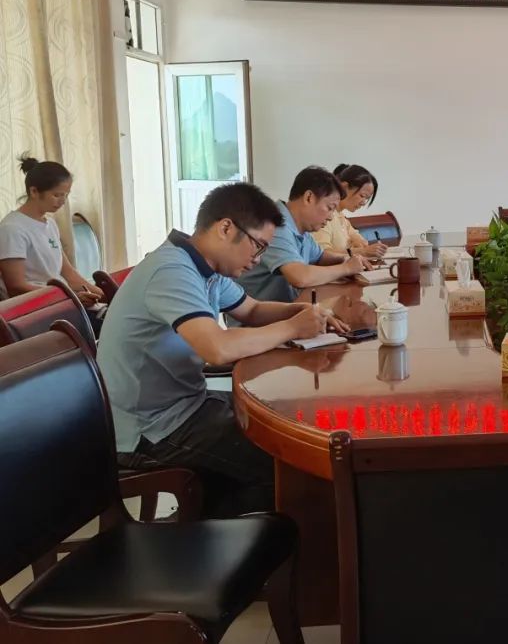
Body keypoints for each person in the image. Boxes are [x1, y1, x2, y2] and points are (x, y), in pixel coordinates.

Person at [97, 182, 349, 518]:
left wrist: (300, 312)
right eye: (257, 246)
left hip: (185, 405)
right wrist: (292, 328)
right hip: (150, 428)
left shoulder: (206, 269)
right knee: (290, 463)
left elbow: (252, 310)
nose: (258, 259)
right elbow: (216, 348)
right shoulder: (171, 270)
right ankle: (202, 532)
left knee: (283, 422)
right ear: (226, 228)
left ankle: (211, 516)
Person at [237, 166, 371, 304]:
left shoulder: (300, 227)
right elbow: (300, 277)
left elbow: (320, 257)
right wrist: (346, 268)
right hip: (257, 315)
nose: (331, 217)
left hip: (286, 307)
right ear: (309, 197)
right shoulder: (275, 224)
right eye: (329, 208)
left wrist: (345, 259)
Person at [0, 155, 104, 305]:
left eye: (66, 195)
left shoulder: (50, 224)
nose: (62, 201)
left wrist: (104, 293)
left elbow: (69, 274)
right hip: (34, 309)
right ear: (34, 191)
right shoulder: (12, 229)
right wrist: (70, 298)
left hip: (59, 301)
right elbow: (16, 287)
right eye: (57, 195)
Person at [313, 164, 388, 259]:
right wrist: (363, 251)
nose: (363, 203)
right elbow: (321, 254)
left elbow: (358, 239)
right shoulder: (325, 216)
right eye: (362, 196)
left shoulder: (342, 218)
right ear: (344, 187)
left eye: (367, 198)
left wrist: (361, 244)